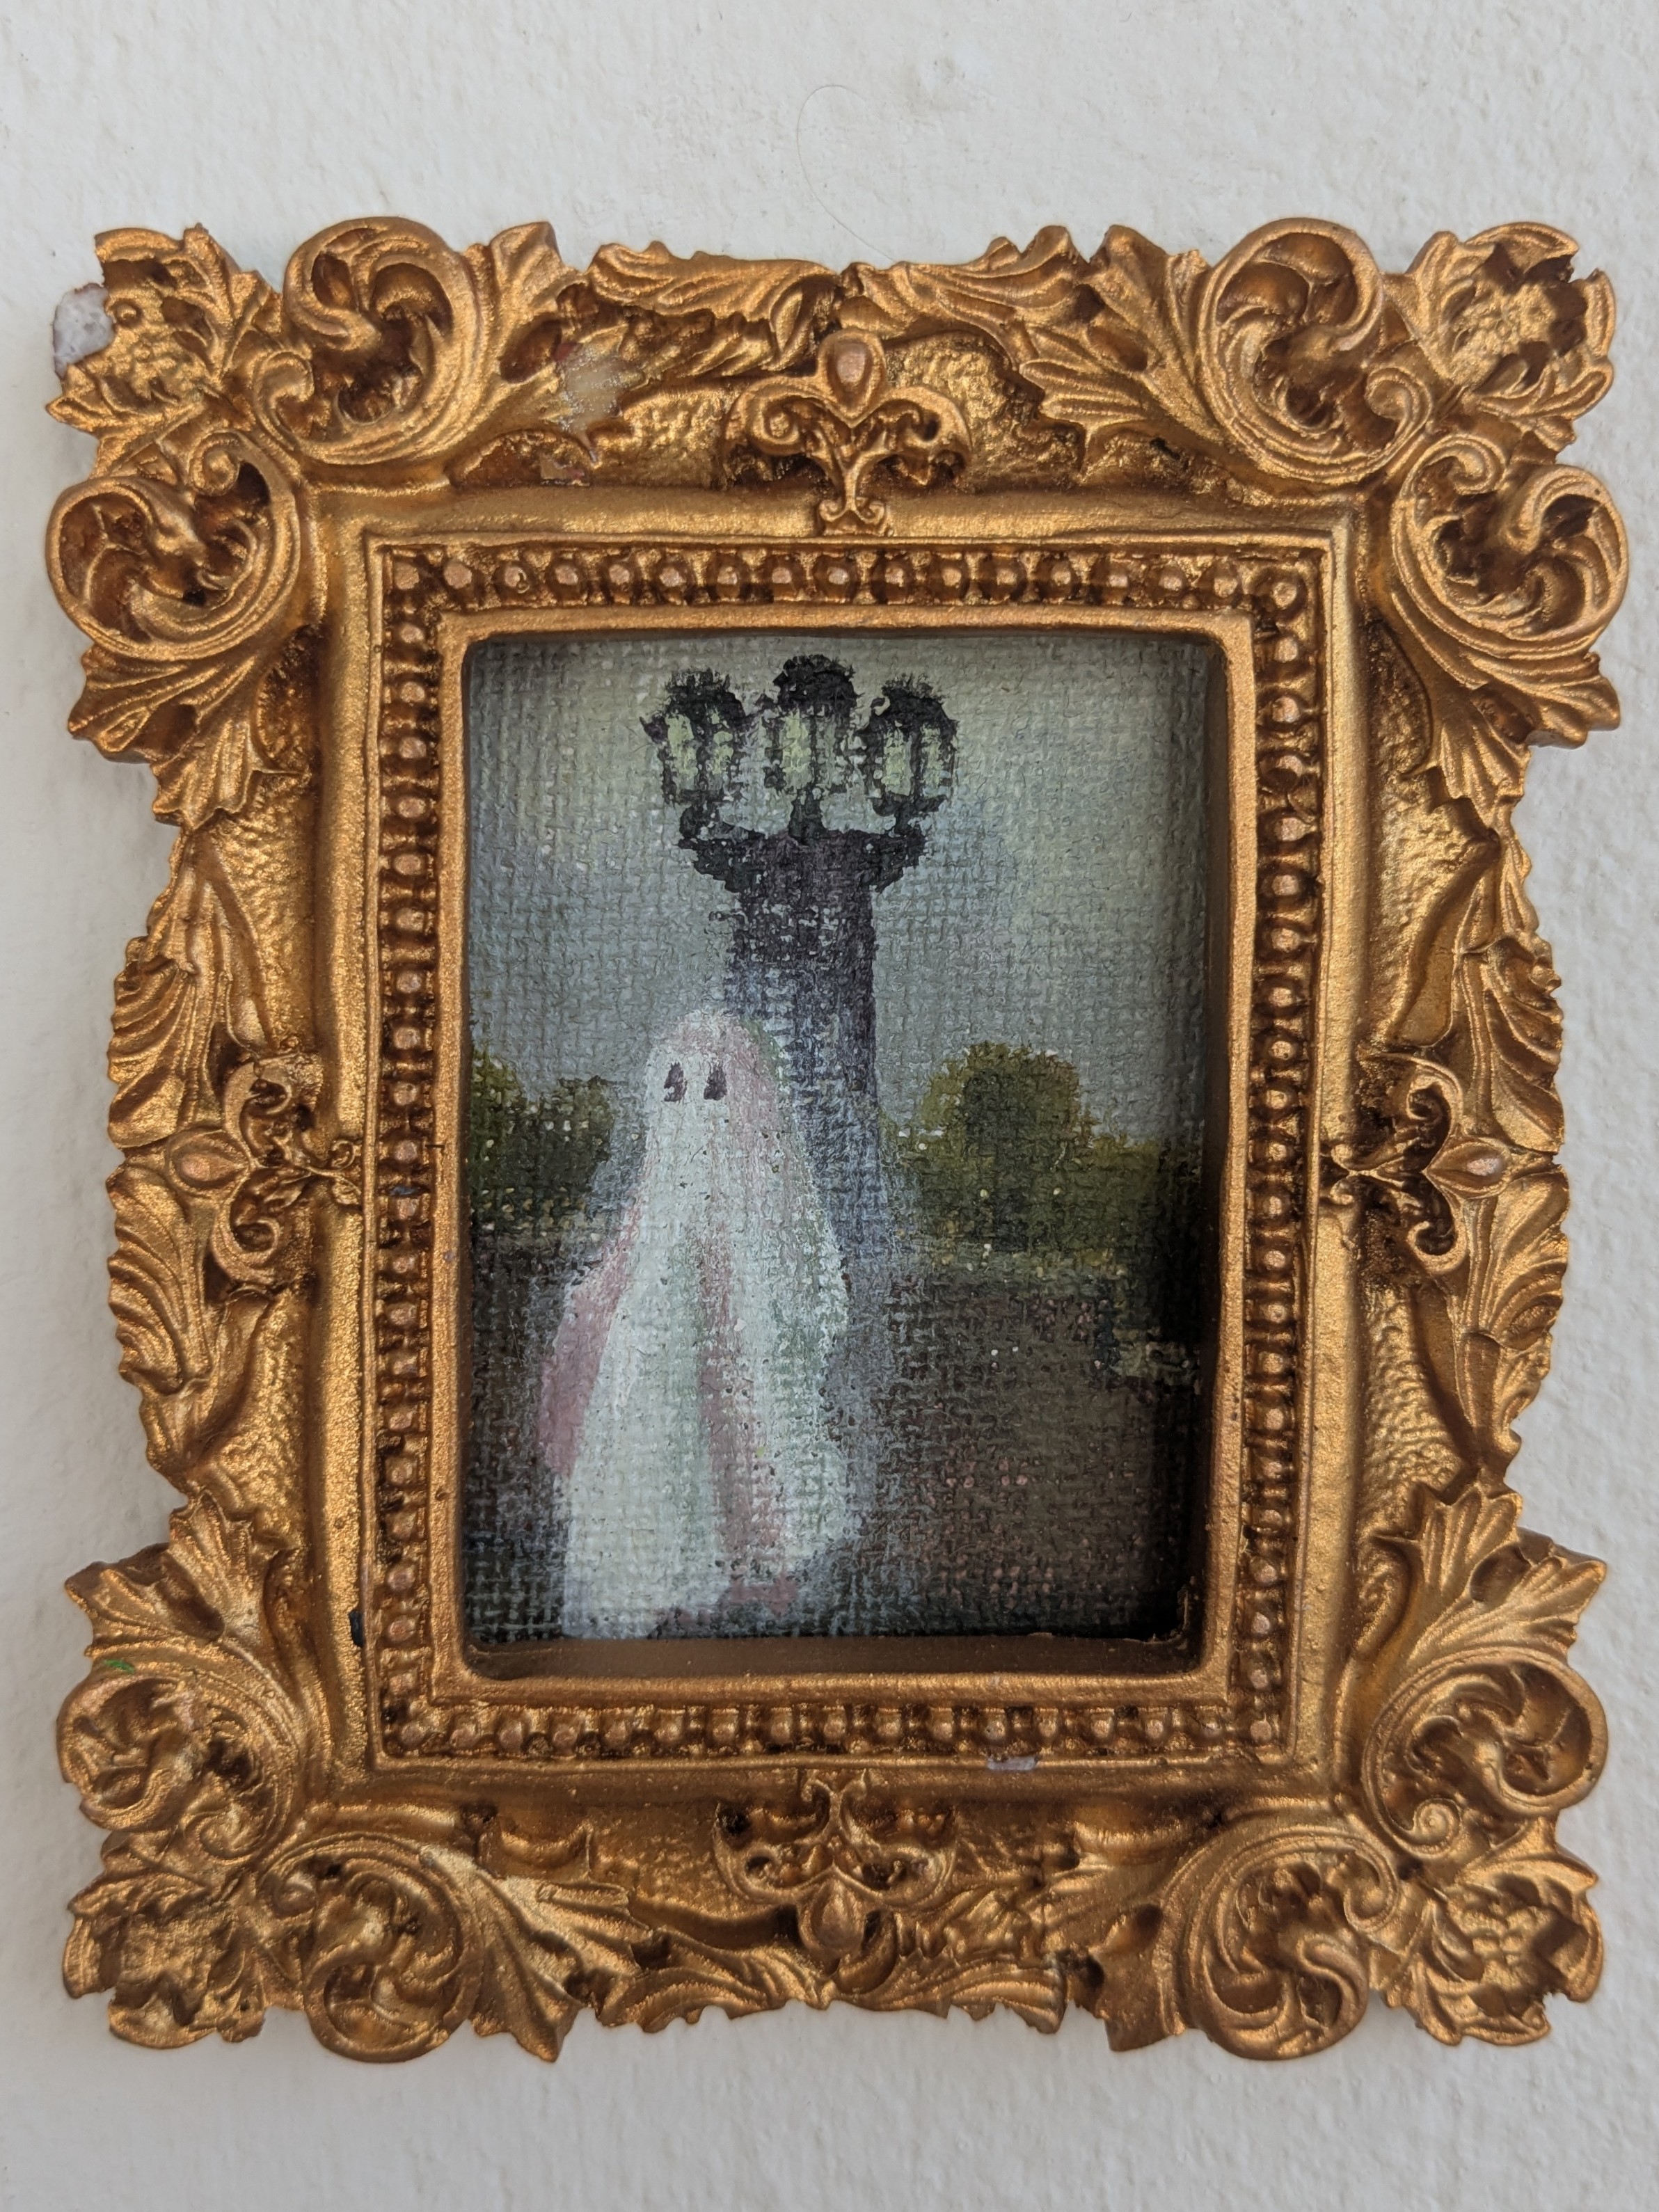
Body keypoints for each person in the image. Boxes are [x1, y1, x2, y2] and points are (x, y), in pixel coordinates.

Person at [539, 1008, 853, 1637]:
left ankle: (742, 1574)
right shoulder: (664, 1179)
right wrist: (596, 1310)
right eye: (676, 1086)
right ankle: (671, 1580)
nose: (691, 1105)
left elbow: (788, 1294)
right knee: (663, 1454)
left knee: (734, 1449)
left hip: (721, 1366)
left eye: (713, 1087)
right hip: (658, 1362)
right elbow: (627, 1252)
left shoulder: (750, 1191)